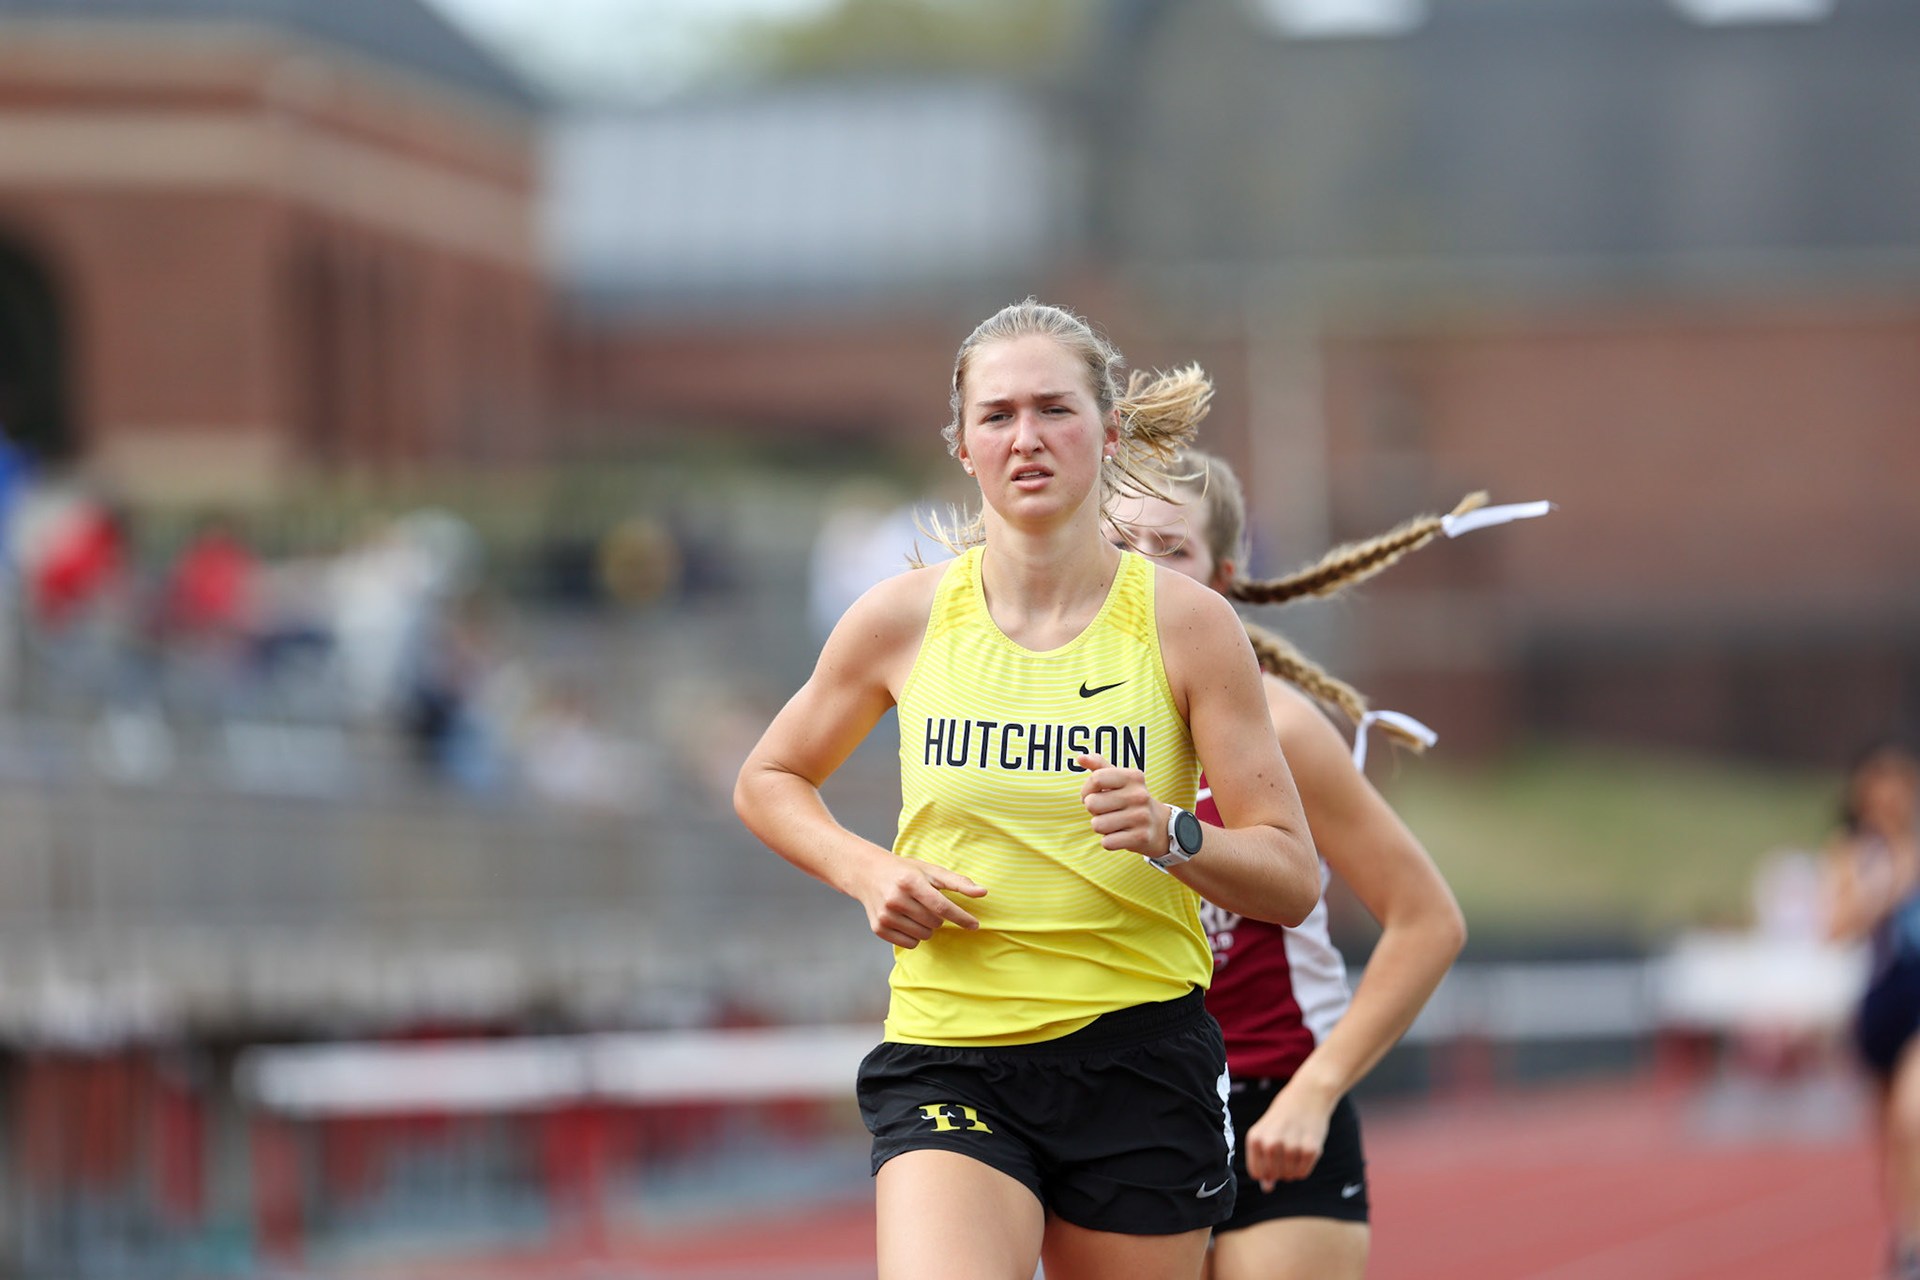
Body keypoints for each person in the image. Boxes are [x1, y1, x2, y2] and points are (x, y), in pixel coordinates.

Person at [734, 299, 1322, 1280]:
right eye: (998, 414)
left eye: (1054, 408)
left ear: (1109, 431)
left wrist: (1177, 832)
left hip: (1138, 1053)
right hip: (951, 1051)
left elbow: (1293, 876)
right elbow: (769, 775)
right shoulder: (900, 620)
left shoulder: (1186, 626)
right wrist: (865, 869)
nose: (1027, 437)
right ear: (961, 443)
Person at [1109, 449, 1468, 1280]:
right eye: (1121, 547)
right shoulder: (1050, 723)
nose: (1144, 574)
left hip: (1273, 1102)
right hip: (1121, 1109)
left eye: (1171, 549)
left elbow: (1426, 920)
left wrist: (1317, 1089)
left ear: (1224, 577)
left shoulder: (1281, 730)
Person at [1823, 739, 1920, 1278]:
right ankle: (1906, 1236)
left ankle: (1916, 1246)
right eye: (1878, 786)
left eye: (1898, 785)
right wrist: (1882, 887)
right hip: (1882, 1002)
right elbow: (1834, 928)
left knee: (1915, 1119)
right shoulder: (1852, 854)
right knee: (1892, 1142)